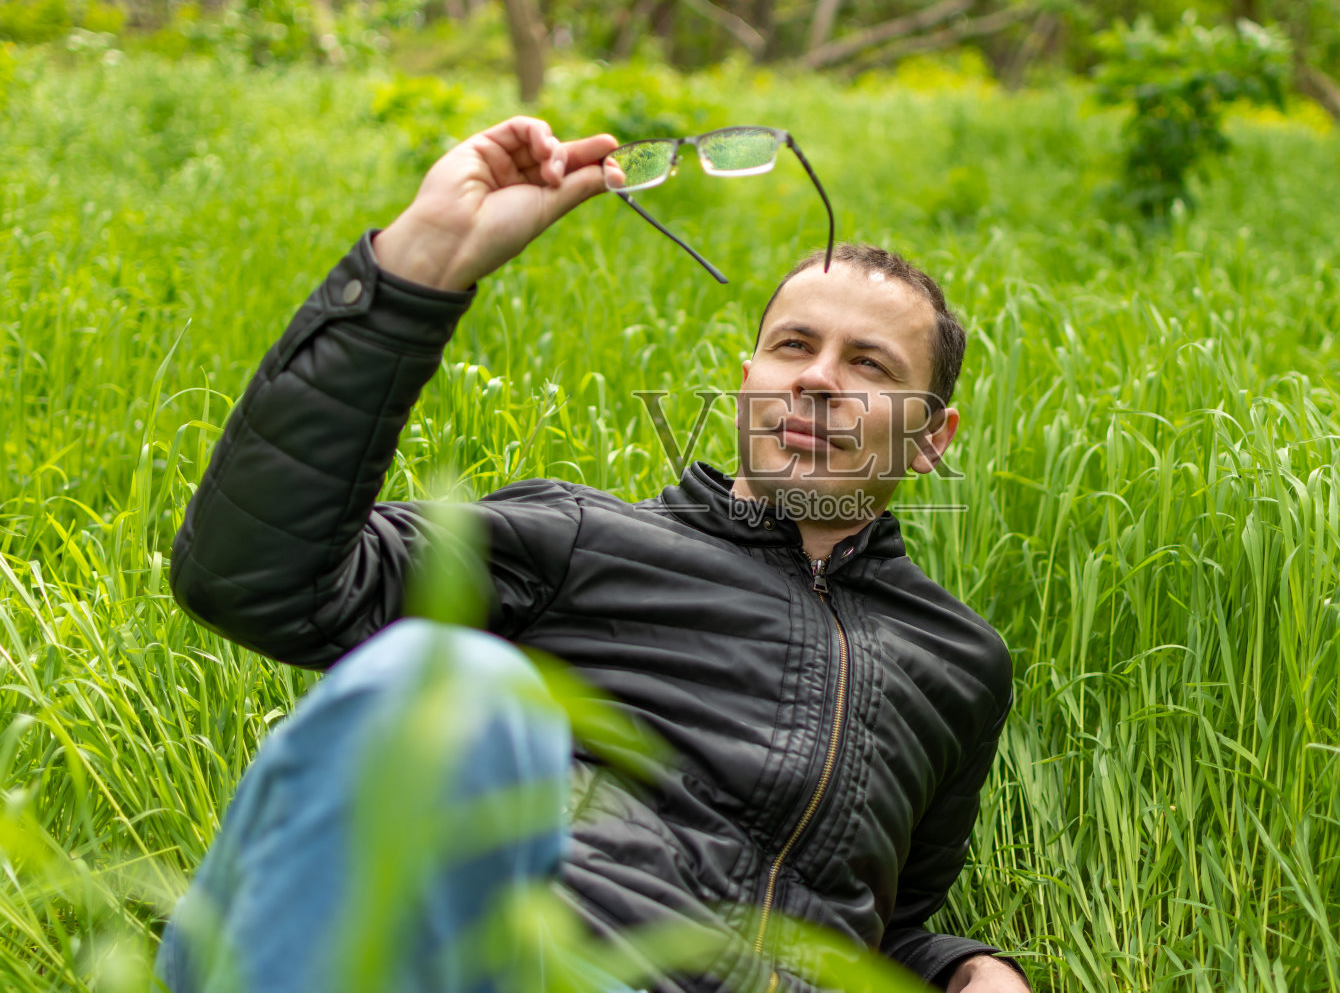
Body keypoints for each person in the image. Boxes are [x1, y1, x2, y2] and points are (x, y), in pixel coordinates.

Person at [158, 116, 1029, 993]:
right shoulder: (582, 540)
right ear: (747, 381)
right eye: (793, 346)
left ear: (930, 437)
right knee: (440, 673)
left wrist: (965, 967)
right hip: (546, 963)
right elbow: (255, 580)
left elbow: (879, 915)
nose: (816, 378)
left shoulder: (959, 661)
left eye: (869, 365)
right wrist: (417, 267)